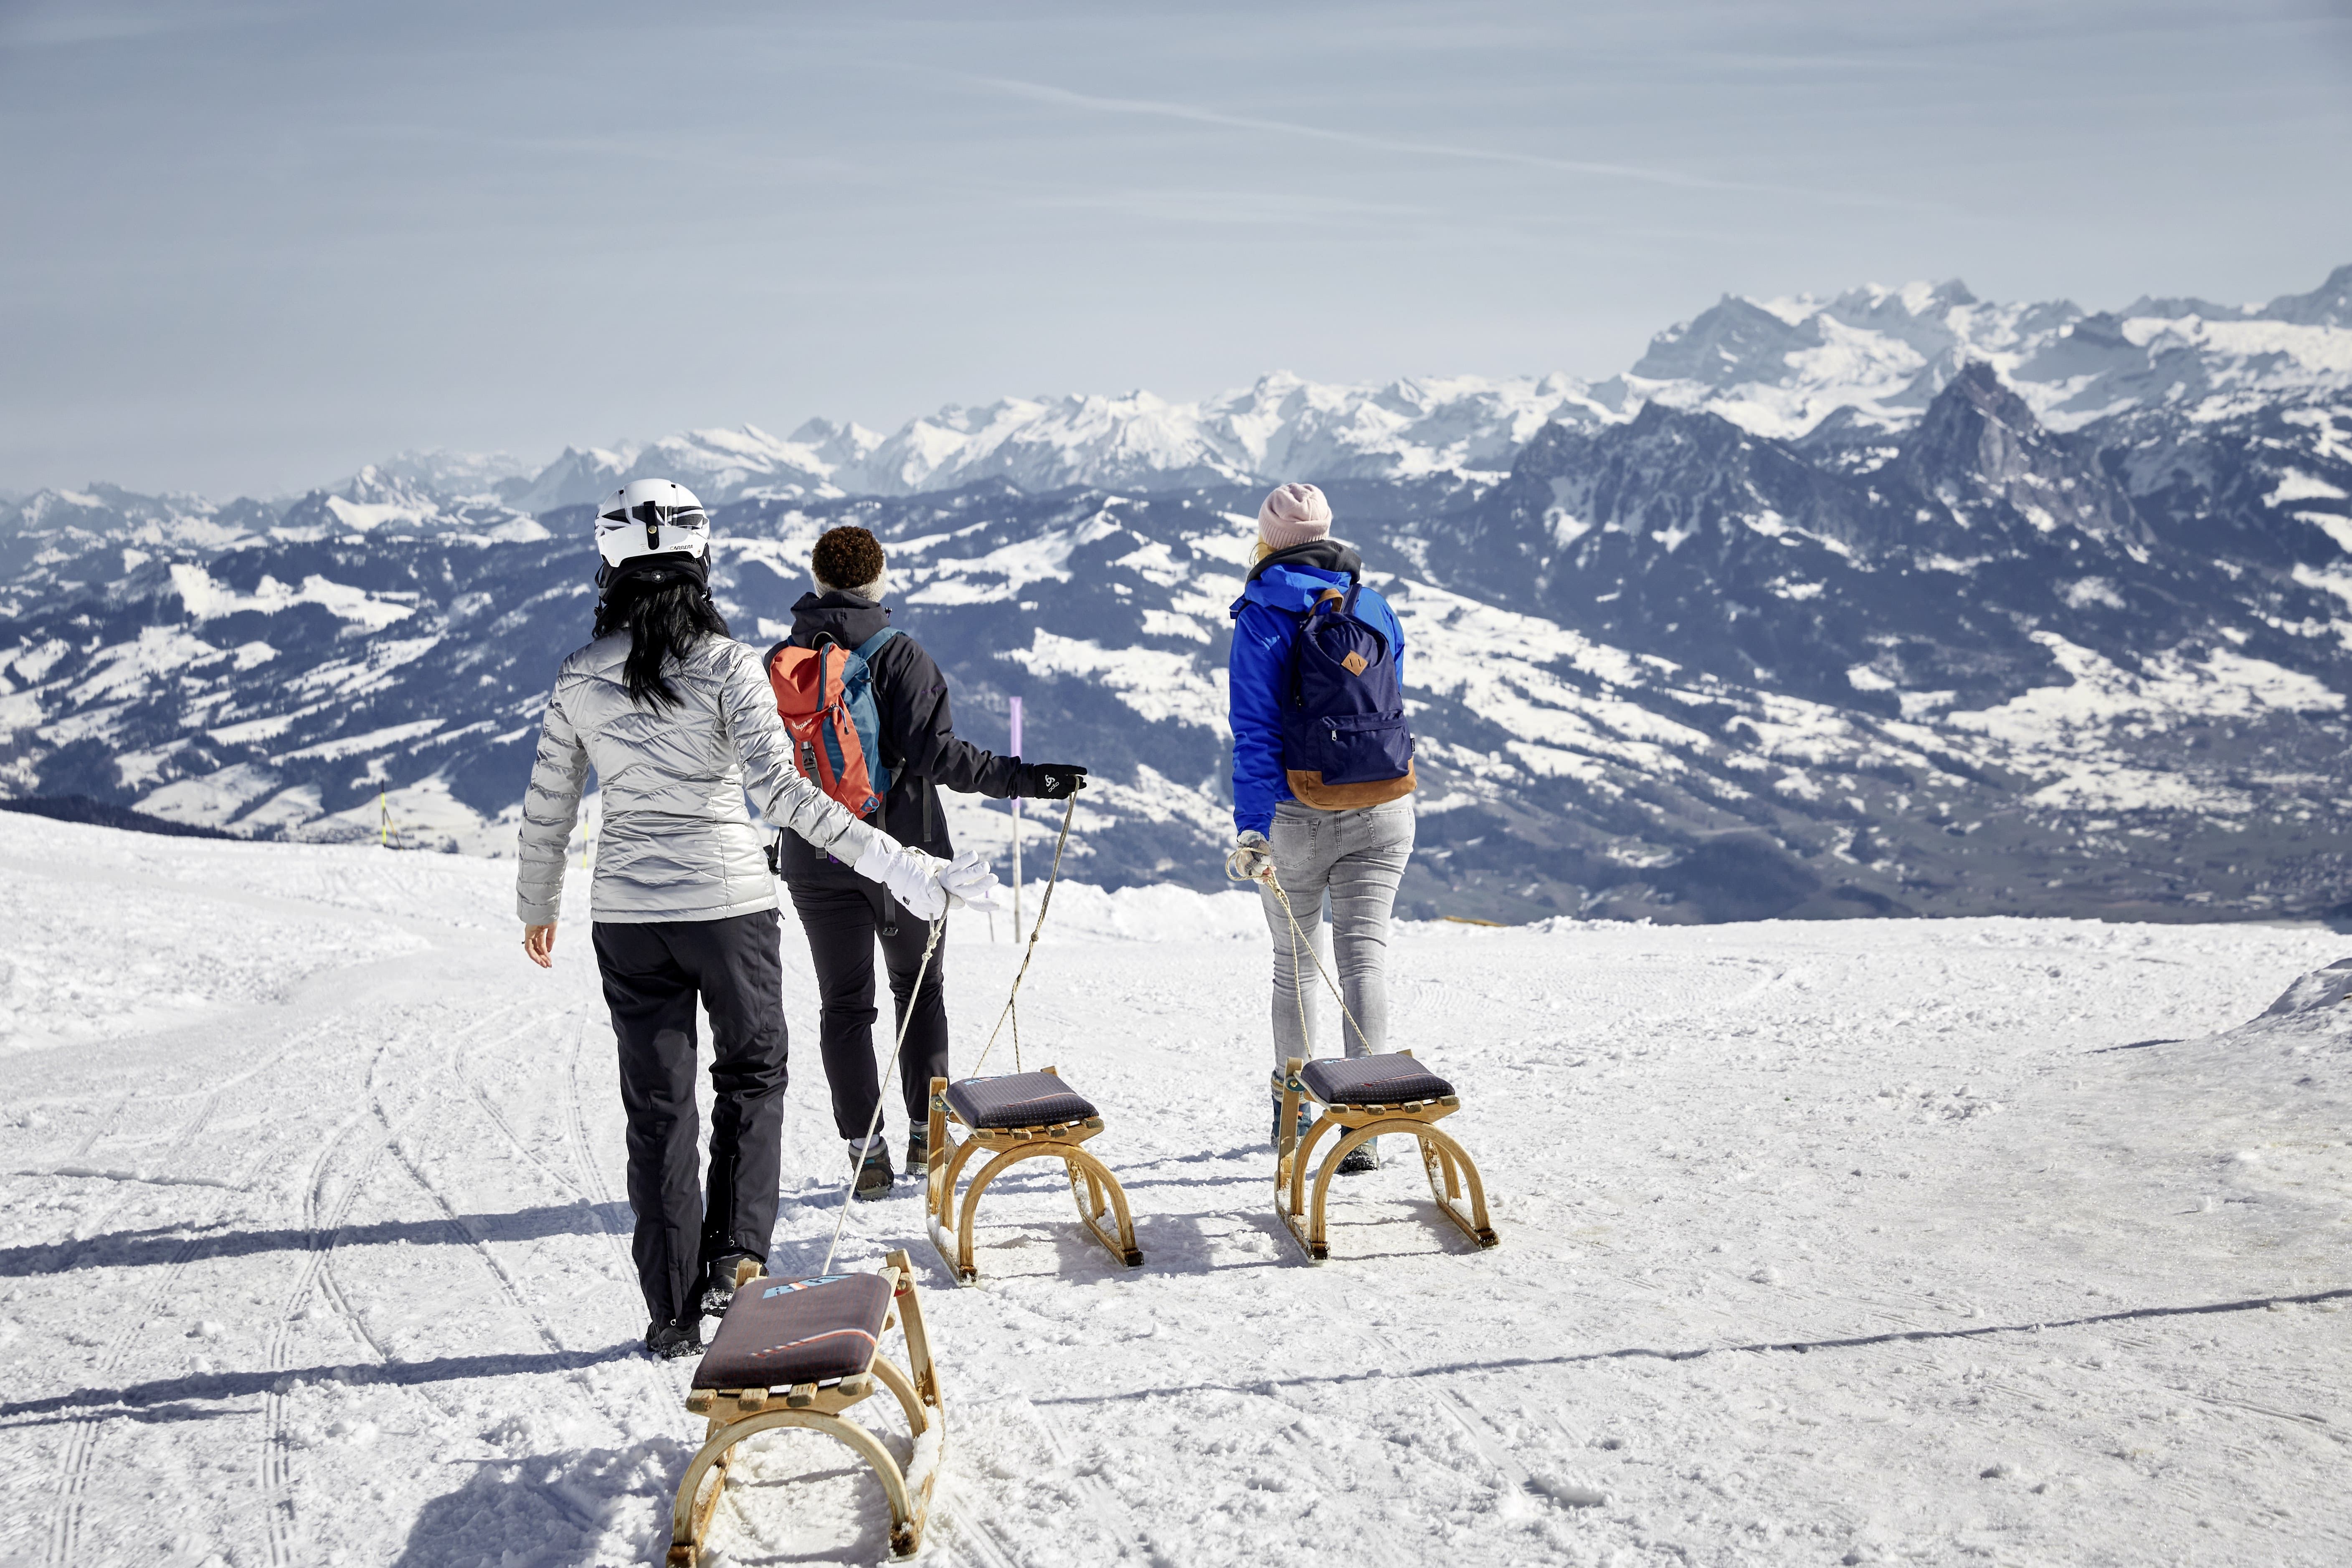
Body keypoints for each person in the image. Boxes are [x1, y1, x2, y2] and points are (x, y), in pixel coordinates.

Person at [516, 480, 1000, 1360]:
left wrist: (537, 902)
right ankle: (736, 1262)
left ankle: (668, 1310)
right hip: (729, 908)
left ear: (610, 571)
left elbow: (549, 802)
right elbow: (785, 797)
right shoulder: (730, 666)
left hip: (626, 916)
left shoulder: (580, 678)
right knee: (750, 1079)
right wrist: (903, 865)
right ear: (702, 565)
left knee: (656, 1108)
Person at [774, 524, 1086, 1200]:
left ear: (816, 578)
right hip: (907, 857)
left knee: (844, 1006)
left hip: (814, 857)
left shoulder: (784, 663)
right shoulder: (899, 656)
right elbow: (942, 759)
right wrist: (1034, 781)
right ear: (879, 579)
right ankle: (928, 1138)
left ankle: (867, 1154)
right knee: (920, 991)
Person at [1225, 483, 1416, 1171]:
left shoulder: (1262, 615)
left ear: (1269, 541)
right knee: (1365, 957)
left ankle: (1296, 1111)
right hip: (1386, 807)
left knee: (1297, 966)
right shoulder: (1373, 605)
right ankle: (1362, 1115)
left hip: (1298, 817)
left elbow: (1254, 733)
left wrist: (1253, 831)